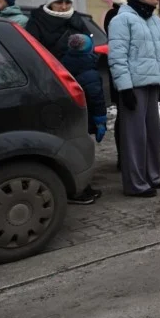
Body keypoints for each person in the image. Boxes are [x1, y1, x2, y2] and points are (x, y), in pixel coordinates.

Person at [108, 0, 160, 198]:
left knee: (153, 133)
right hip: (134, 87)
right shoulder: (122, 20)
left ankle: (152, 176)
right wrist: (124, 88)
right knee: (134, 136)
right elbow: (117, 57)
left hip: (153, 84)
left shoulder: (156, 21)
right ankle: (135, 184)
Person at [60, 33, 106, 205]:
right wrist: (100, 121)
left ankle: (78, 186)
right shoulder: (89, 70)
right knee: (82, 153)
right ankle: (80, 189)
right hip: (84, 118)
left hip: (69, 117)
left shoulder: (63, 62)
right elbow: (96, 98)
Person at [25, 0, 90, 59]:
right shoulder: (37, 21)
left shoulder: (76, 19)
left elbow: (89, 43)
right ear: (50, 4)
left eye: (68, 2)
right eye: (59, 2)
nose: (64, 7)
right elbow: (32, 52)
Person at [105, 0, 131, 171]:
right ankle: (124, 157)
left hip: (130, 74)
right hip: (123, 74)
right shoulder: (116, 15)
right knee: (124, 117)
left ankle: (128, 157)